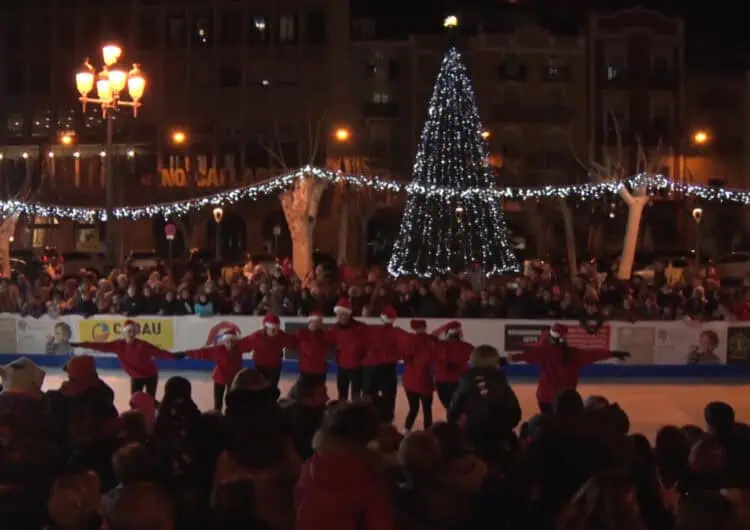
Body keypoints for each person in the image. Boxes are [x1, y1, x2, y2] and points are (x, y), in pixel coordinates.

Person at [509, 323, 630, 413]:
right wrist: (612, 353)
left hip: (546, 398)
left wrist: (507, 359)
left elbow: (524, 356)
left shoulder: (544, 351)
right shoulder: (573, 353)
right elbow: (593, 354)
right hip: (566, 400)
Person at [71, 319, 176, 397]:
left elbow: (159, 353)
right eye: (128, 332)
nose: (131, 334)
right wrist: (81, 344)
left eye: (133, 332)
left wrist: (174, 355)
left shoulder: (142, 345)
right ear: (124, 333)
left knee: (150, 398)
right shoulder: (118, 345)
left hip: (150, 375)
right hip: (135, 376)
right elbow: (99, 346)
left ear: (136, 333)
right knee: (135, 398)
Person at [448, 344, 521, 452]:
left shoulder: (465, 381)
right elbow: (515, 413)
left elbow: (453, 410)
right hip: (498, 435)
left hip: (473, 433)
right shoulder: (501, 382)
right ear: (495, 362)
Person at [174, 327, 245, 411]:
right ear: (224, 341)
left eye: (232, 341)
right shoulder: (218, 350)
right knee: (218, 403)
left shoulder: (240, 348)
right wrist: (185, 353)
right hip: (220, 378)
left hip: (233, 379)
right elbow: (202, 352)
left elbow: (252, 342)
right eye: (227, 341)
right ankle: (217, 416)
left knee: (232, 401)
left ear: (236, 341)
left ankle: (230, 416)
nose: (229, 343)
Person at [361, 305, 408, 419]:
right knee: (388, 398)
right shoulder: (397, 332)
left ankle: (367, 420)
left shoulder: (372, 331)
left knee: (368, 397)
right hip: (387, 368)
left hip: (370, 368)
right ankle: (386, 422)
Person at [324, 298, 368, 400]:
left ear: (349, 314)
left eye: (343, 314)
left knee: (356, 395)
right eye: (339, 314)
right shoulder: (334, 329)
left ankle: (354, 412)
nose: (341, 317)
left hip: (356, 366)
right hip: (342, 366)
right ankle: (342, 412)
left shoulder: (360, 327)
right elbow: (326, 342)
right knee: (342, 393)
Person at [237, 314, 296, 388]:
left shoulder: (282, 336)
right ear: (265, 327)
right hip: (260, 367)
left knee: (272, 388)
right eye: (270, 328)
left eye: (275, 328)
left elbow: (294, 343)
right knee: (259, 387)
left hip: (275, 366)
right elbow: (244, 345)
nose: (273, 331)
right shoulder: (257, 336)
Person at [401, 319, 438, 433]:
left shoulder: (409, 340)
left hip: (409, 380)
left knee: (413, 408)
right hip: (424, 381)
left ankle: (406, 429)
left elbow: (406, 358)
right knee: (427, 409)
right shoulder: (432, 340)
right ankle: (428, 431)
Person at [430, 321, 473, 411]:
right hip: (460, 381)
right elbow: (481, 357)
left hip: (441, 382)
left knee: (450, 408)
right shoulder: (467, 347)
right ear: (460, 334)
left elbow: (432, 335)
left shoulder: (439, 345)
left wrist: (447, 326)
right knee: (460, 408)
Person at [288, 311, 330, 387]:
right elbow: (290, 344)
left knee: (319, 393)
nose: (316, 324)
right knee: (303, 393)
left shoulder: (324, 335)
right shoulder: (301, 334)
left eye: (318, 322)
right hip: (306, 370)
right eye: (314, 322)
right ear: (309, 322)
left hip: (320, 370)